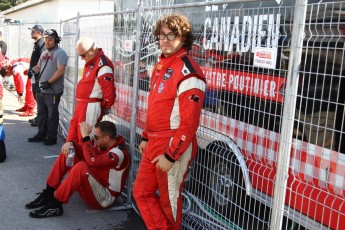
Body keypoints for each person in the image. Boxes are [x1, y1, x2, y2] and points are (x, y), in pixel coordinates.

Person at [132, 13, 206, 230]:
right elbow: (156, 106)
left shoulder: (189, 72)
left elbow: (189, 124)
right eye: (161, 35)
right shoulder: (162, 64)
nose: (164, 40)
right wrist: (145, 136)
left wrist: (171, 154)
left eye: (170, 35)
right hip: (154, 141)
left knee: (169, 203)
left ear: (182, 38)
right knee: (141, 192)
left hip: (172, 145)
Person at [25, 121, 130, 218]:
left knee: (81, 167)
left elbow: (92, 161)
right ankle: (48, 192)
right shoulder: (103, 143)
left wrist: (86, 137)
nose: (94, 139)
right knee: (68, 152)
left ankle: (55, 205)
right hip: (93, 187)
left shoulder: (119, 153)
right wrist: (71, 144)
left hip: (104, 199)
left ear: (107, 138)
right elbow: (84, 153)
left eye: (96, 137)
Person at [60, 37, 116, 159]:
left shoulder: (103, 65)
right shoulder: (91, 61)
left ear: (91, 50)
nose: (81, 58)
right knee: (76, 135)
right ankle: (76, 166)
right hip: (83, 104)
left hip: (90, 106)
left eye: (83, 55)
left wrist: (102, 108)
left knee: (85, 138)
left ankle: (84, 167)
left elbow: (109, 93)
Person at [28, 29, 68, 145]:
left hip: (53, 90)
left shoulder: (61, 53)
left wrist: (49, 82)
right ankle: (41, 134)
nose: (47, 42)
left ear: (56, 40)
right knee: (41, 113)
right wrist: (31, 70)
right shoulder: (44, 53)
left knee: (52, 114)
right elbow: (39, 66)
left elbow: (60, 71)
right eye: (46, 39)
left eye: (50, 39)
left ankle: (51, 137)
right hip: (42, 89)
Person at [28, 25, 46, 126]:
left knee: (39, 97)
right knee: (36, 96)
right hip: (35, 74)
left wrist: (37, 73)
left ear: (39, 33)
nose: (31, 33)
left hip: (39, 75)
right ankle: (39, 117)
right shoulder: (37, 44)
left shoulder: (42, 44)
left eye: (33, 31)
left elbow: (42, 62)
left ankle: (41, 119)